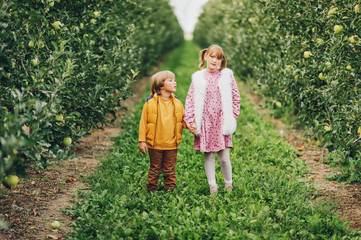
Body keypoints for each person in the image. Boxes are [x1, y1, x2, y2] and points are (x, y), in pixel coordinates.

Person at [184, 45, 241, 195]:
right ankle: (213, 186)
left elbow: (235, 97)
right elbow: (190, 100)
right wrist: (191, 121)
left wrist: (232, 117)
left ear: (222, 61)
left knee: (223, 157)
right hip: (205, 122)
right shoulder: (198, 78)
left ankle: (228, 184)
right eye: (212, 56)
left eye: (218, 58)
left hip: (222, 122)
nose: (214, 60)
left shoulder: (226, 76)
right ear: (205, 57)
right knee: (209, 155)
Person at [138, 70, 185, 192]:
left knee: (170, 169)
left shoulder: (178, 103)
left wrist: (192, 125)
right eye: (170, 80)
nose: (174, 82)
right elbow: (143, 123)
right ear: (160, 85)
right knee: (155, 168)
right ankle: (151, 189)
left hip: (171, 144)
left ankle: (170, 189)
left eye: (174, 80)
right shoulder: (150, 104)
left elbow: (183, 120)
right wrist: (142, 141)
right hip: (155, 144)